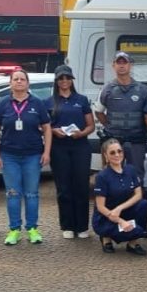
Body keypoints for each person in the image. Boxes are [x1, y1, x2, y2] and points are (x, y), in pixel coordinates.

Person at [0, 69, 52, 246]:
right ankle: (14, 230)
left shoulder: (37, 103)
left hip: (32, 155)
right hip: (9, 156)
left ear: (27, 83)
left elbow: (47, 128)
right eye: (15, 79)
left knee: (32, 194)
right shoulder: (3, 103)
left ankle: (32, 228)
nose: (19, 82)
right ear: (10, 83)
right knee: (13, 194)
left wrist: (46, 152)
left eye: (22, 79)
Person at [46, 65, 95, 239]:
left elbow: (91, 125)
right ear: (57, 81)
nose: (64, 81)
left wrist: (81, 133)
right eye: (61, 78)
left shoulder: (81, 99)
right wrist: (53, 131)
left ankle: (82, 226)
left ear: (71, 80)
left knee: (81, 186)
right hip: (59, 147)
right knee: (63, 187)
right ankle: (67, 225)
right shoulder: (49, 101)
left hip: (80, 146)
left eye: (67, 78)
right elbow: (43, 126)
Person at [94, 51, 147, 180]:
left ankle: (136, 199)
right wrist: (110, 125)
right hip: (114, 139)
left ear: (130, 65)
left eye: (124, 62)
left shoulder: (143, 90)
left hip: (136, 140)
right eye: (118, 62)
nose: (121, 66)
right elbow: (98, 111)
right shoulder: (107, 89)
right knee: (112, 172)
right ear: (113, 66)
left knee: (136, 174)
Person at [92, 138, 147, 255]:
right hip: (106, 217)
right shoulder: (102, 176)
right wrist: (121, 221)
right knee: (132, 230)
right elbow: (101, 207)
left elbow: (138, 194)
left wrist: (120, 208)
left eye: (119, 151)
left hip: (123, 212)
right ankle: (106, 237)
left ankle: (133, 243)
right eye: (112, 153)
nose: (117, 155)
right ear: (106, 156)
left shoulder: (131, 170)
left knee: (144, 204)